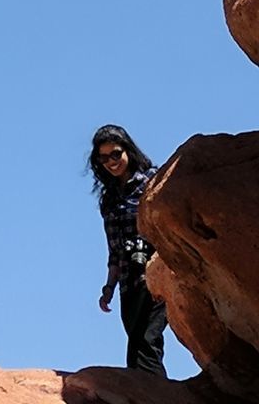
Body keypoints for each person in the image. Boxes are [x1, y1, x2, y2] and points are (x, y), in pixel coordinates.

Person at [89, 124, 168, 376]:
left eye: (115, 154)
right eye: (103, 158)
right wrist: (109, 287)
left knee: (147, 342)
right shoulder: (109, 199)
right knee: (136, 347)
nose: (111, 162)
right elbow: (115, 248)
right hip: (128, 282)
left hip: (155, 275)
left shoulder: (151, 181)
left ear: (128, 151)